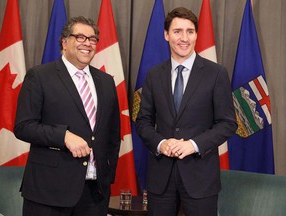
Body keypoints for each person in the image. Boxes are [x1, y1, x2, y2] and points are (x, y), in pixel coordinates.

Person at [135, 7, 237, 216]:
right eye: (177, 31)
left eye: (190, 31)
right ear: (166, 35)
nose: (184, 38)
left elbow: (227, 123)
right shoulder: (154, 75)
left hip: (200, 178)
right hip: (161, 178)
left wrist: (193, 145)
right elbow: (143, 121)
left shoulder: (216, 73)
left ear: (196, 35)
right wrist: (161, 144)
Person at [14, 16, 120, 216]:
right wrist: (64, 136)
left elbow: (112, 136)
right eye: (80, 37)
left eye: (92, 39)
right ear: (64, 42)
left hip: (94, 194)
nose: (87, 43)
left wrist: (106, 177)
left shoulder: (106, 82)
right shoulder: (40, 76)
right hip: (49, 193)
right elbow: (23, 126)